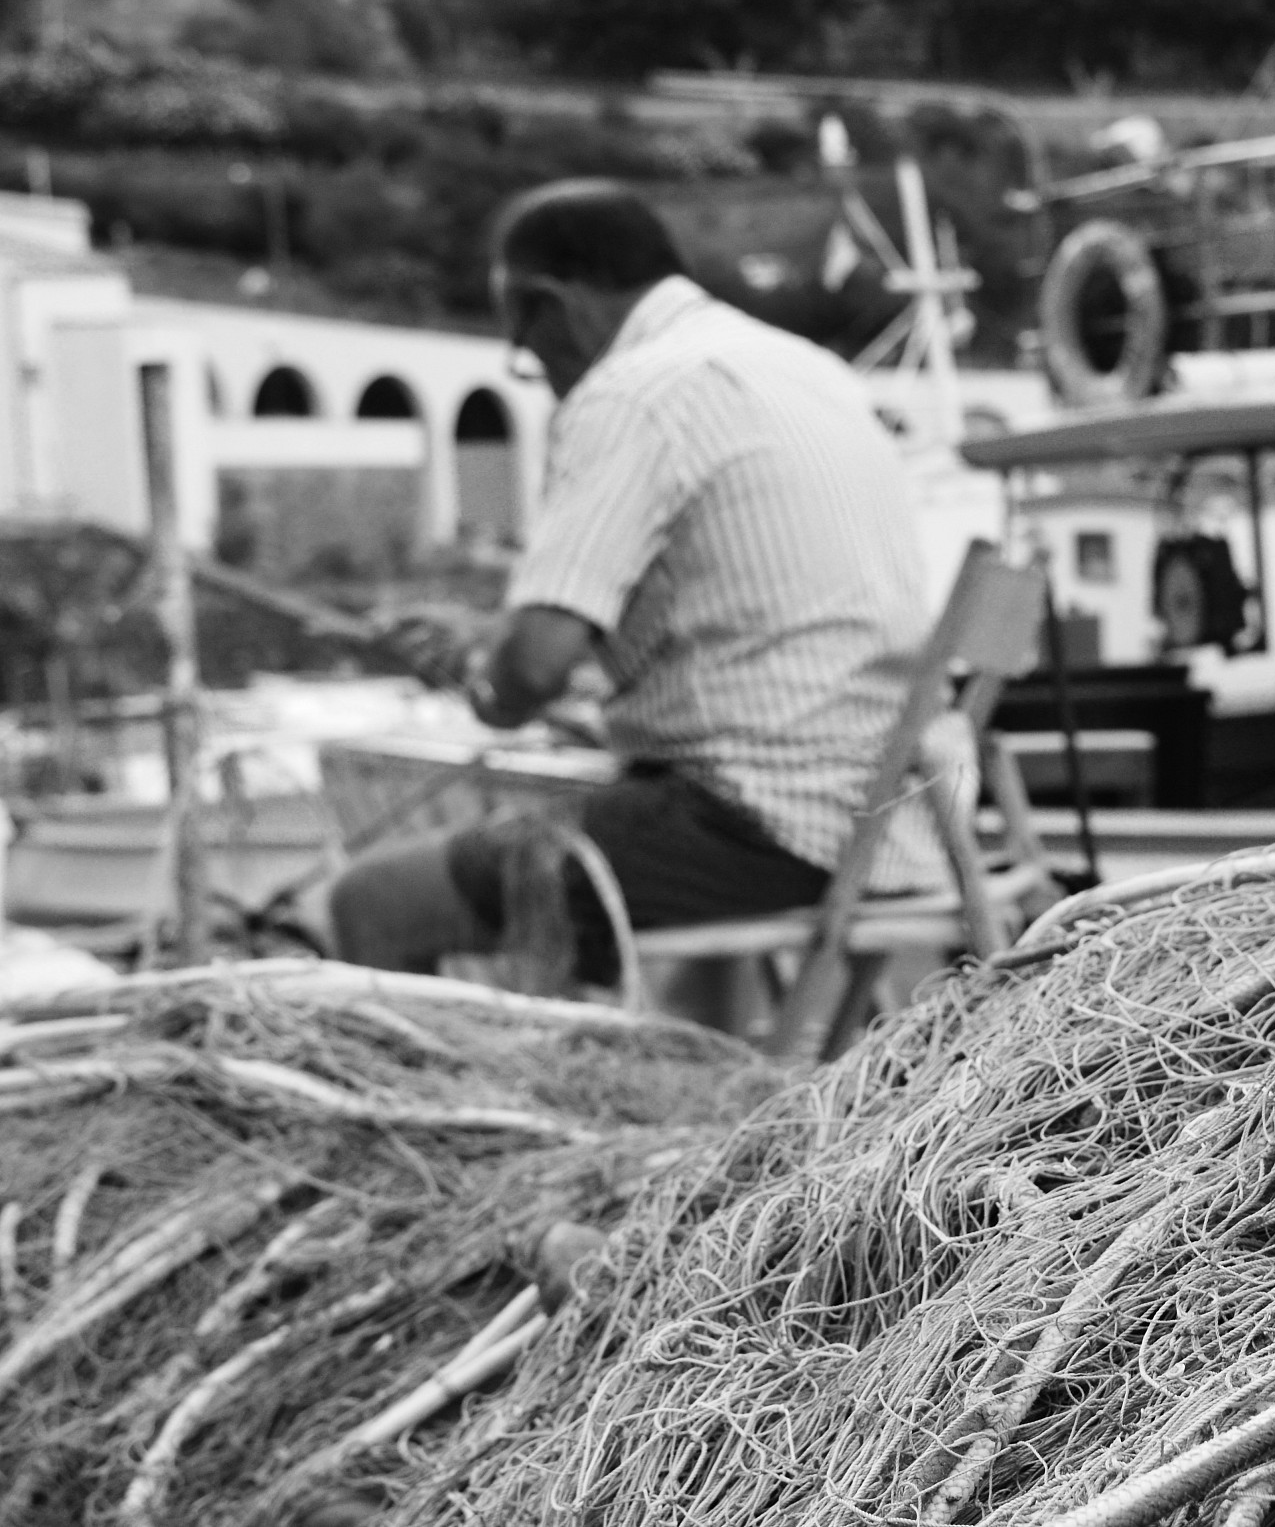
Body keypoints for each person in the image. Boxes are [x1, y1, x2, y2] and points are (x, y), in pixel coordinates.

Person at [324, 179, 950, 1007]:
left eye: (527, 349)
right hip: (888, 824)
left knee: (372, 902)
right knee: (657, 934)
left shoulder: (630, 394)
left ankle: (451, 1132)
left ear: (547, 306)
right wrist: (490, 632)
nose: (541, 375)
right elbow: (736, 603)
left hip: (757, 826)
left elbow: (537, 669)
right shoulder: (806, 368)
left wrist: (491, 683)